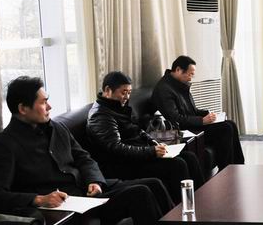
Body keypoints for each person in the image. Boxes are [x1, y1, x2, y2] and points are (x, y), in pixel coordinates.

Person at [0, 77, 220, 225]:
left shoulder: (56, 128)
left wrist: (94, 180)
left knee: (155, 184)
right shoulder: (4, 145)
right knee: (140, 193)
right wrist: (38, 199)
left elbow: (84, 158)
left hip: (91, 192)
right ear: (22, 108)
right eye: (43, 102)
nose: (49, 106)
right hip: (70, 208)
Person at [87, 71, 206, 205]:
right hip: (123, 164)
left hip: (138, 155)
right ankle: (184, 207)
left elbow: (137, 130)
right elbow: (116, 148)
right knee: (177, 164)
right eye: (123, 92)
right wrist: (151, 151)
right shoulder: (100, 116)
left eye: (129, 92)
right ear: (108, 90)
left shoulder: (117, 106)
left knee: (189, 156)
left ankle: (201, 201)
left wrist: (153, 142)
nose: (127, 97)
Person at [151, 55, 245, 173]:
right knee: (225, 128)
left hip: (192, 124)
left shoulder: (179, 84)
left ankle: (238, 166)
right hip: (183, 131)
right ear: (178, 70)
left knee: (230, 124)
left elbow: (192, 110)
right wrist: (202, 120)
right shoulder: (164, 89)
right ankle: (225, 171)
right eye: (190, 74)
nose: (191, 78)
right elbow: (175, 118)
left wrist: (207, 114)